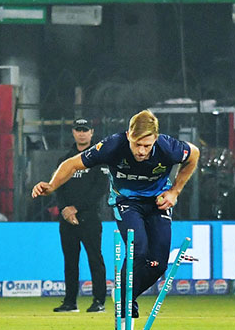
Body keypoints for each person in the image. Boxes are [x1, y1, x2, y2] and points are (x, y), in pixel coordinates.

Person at [32, 110, 199, 318]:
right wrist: (51, 186)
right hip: (126, 202)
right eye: (137, 144)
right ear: (129, 135)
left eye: (147, 146)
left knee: (158, 264)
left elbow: (194, 155)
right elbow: (72, 163)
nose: (141, 151)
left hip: (158, 203)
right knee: (139, 249)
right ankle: (124, 299)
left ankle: (127, 296)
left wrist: (174, 191)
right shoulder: (113, 145)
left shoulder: (167, 147)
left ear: (155, 139)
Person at [52, 119, 108, 313]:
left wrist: (75, 208)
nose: (82, 133)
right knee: (70, 260)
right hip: (67, 219)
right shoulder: (65, 160)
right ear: (73, 132)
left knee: (95, 258)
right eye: (78, 130)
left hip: (90, 217)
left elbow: (100, 190)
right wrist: (65, 209)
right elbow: (57, 187)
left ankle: (99, 301)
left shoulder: (99, 160)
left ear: (92, 132)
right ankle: (70, 302)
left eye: (85, 130)